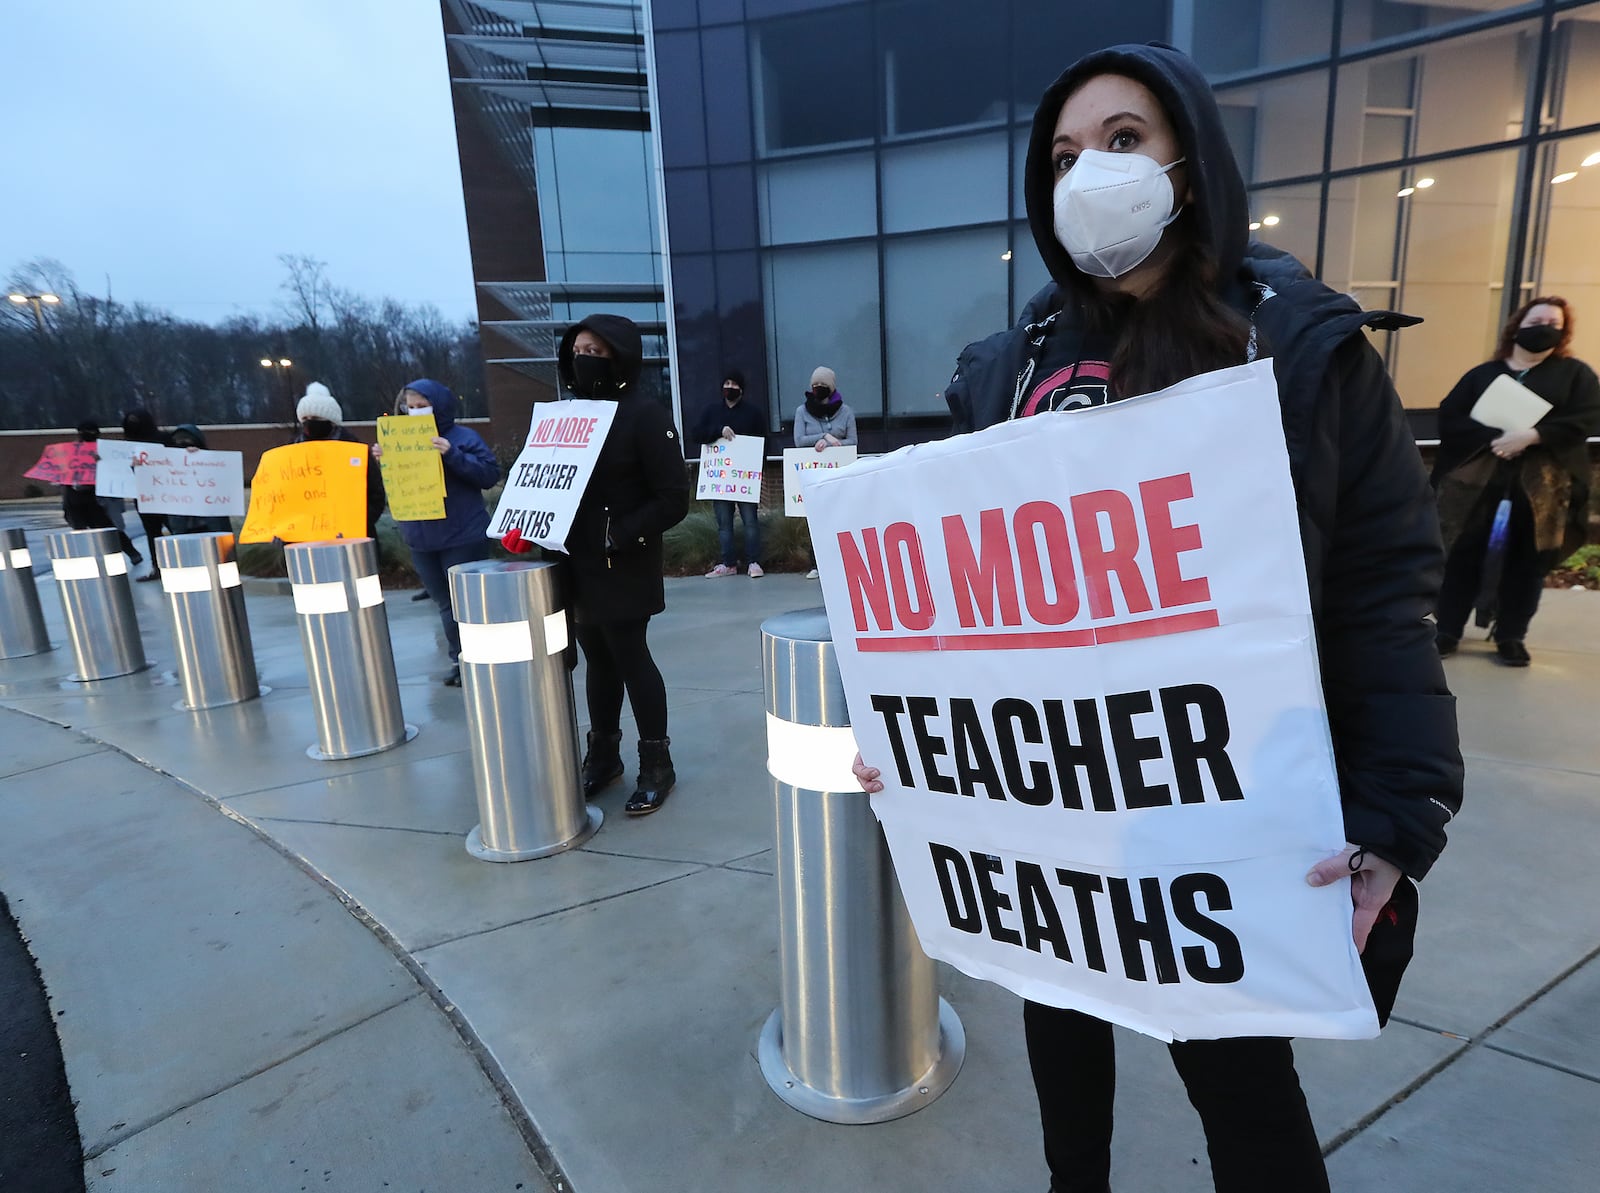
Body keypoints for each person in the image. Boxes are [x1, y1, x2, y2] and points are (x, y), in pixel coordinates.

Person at [851, 43, 1463, 1193]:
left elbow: (1384, 589)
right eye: (1067, 154)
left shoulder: (1297, 343)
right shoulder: (1010, 365)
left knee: (1237, 1078)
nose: (1092, 171)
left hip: (1215, 802)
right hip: (1049, 798)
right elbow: (945, 593)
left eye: (1124, 140)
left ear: (1190, 160)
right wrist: (902, 727)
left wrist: (1398, 811)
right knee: (1062, 1024)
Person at [503, 315, 689, 816]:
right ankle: (603, 755)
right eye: (578, 349)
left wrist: (620, 532)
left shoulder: (643, 415)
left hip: (622, 562)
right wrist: (525, 518)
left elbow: (673, 498)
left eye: (597, 351)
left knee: (630, 656)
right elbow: (541, 476)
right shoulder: (563, 417)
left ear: (620, 357)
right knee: (596, 660)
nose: (584, 358)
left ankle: (656, 763)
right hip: (572, 562)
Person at [1431, 296, 1600, 666]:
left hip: (1543, 485)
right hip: (1479, 480)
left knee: (1528, 558)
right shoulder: (1483, 374)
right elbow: (1451, 415)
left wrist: (1533, 436)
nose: (1544, 327)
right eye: (1537, 319)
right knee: (1462, 552)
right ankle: (1447, 629)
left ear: (1563, 331)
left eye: (1553, 323)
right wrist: (1497, 438)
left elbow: (1585, 418)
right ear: (1518, 325)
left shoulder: (1575, 374)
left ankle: (1511, 635)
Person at [370, 380, 497, 686]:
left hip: (462, 534)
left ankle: (483, 658)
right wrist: (385, 459)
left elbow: (489, 474)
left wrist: (452, 454)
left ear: (438, 405)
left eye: (421, 406)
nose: (415, 412)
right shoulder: (400, 438)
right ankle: (461, 660)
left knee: (468, 604)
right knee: (445, 605)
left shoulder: (464, 437)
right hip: (421, 537)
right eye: (409, 408)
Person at [693, 368, 766, 578]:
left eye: (734, 384)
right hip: (721, 479)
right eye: (727, 384)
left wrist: (758, 471)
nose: (729, 388)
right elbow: (696, 434)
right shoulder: (711, 411)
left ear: (741, 389)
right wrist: (718, 431)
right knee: (724, 524)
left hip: (744, 479)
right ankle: (729, 564)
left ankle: (754, 562)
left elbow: (763, 442)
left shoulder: (753, 413)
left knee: (750, 521)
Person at [295, 382, 386, 538]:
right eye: (305, 419)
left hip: (353, 538)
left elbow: (376, 495)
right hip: (306, 539)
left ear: (331, 420)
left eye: (316, 418)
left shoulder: (355, 451)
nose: (310, 423)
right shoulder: (292, 452)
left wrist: (359, 524)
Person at [793, 367, 857, 578]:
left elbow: (852, 442)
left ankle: (842, 560)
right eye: (815, 386)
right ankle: (816, 564)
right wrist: (823, 437)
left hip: (837, 472)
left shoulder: (846, 411)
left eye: (822, 386)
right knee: (814, 519)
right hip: (814, 473)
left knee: (839, 516)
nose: (818, 389)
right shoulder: (802, 411)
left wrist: (833, 444)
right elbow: (799, 440)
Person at [61, 419, 143, 564]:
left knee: (109, 528)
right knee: (86, 530)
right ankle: (100, 559)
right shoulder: (72, 451)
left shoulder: (104, 450)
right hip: (76, 497)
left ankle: (131, 553)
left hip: (95, 496)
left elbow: (115, 469)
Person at [121, 408, 170, 581]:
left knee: (172, 530)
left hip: (168, 493)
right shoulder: (126, 447)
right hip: (144, 496)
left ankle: (178, 564)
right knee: (152, 533)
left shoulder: (164, 440)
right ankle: (158, 567)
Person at [163, 423, 233, 535]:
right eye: (179, 443)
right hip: (182, 526)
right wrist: (139, 465)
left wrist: (200, 458)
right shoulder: (166, 466)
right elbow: (149, 479)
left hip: (212, 524)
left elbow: (226, 483)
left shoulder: (213, 463)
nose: (185, 446)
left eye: (188, 441)